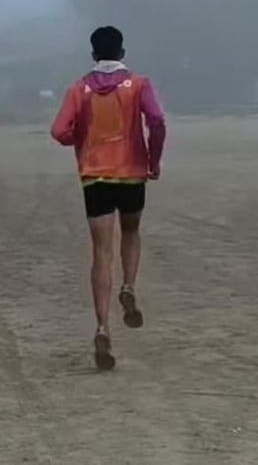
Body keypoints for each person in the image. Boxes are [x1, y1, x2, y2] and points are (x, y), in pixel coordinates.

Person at [50, 26, 166, 371]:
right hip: (131, 172)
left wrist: (79, 138)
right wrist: (153, 160)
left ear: (93, 54)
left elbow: (59, 131)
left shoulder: (79, 89)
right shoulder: (139, 85)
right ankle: (129, 286)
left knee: (101, 253)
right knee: (131, 232)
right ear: (122, 52)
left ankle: (102, 325)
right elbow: (157, 120)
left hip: (95, 175)